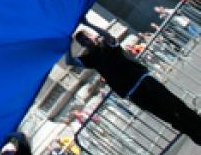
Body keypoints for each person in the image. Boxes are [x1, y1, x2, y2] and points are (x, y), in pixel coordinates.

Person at [71, 27, 201, 144]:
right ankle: (197, 137)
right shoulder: (90, 58)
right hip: (132, 91)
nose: (86, 42)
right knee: (167, 117)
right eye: (83, 42)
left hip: (142, 80)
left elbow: (108, 36)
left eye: (87, 38)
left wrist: (89, 24)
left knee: (176, 105)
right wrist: (66, 44)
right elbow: (69, 60)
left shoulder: (106, 44)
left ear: (92, 36)